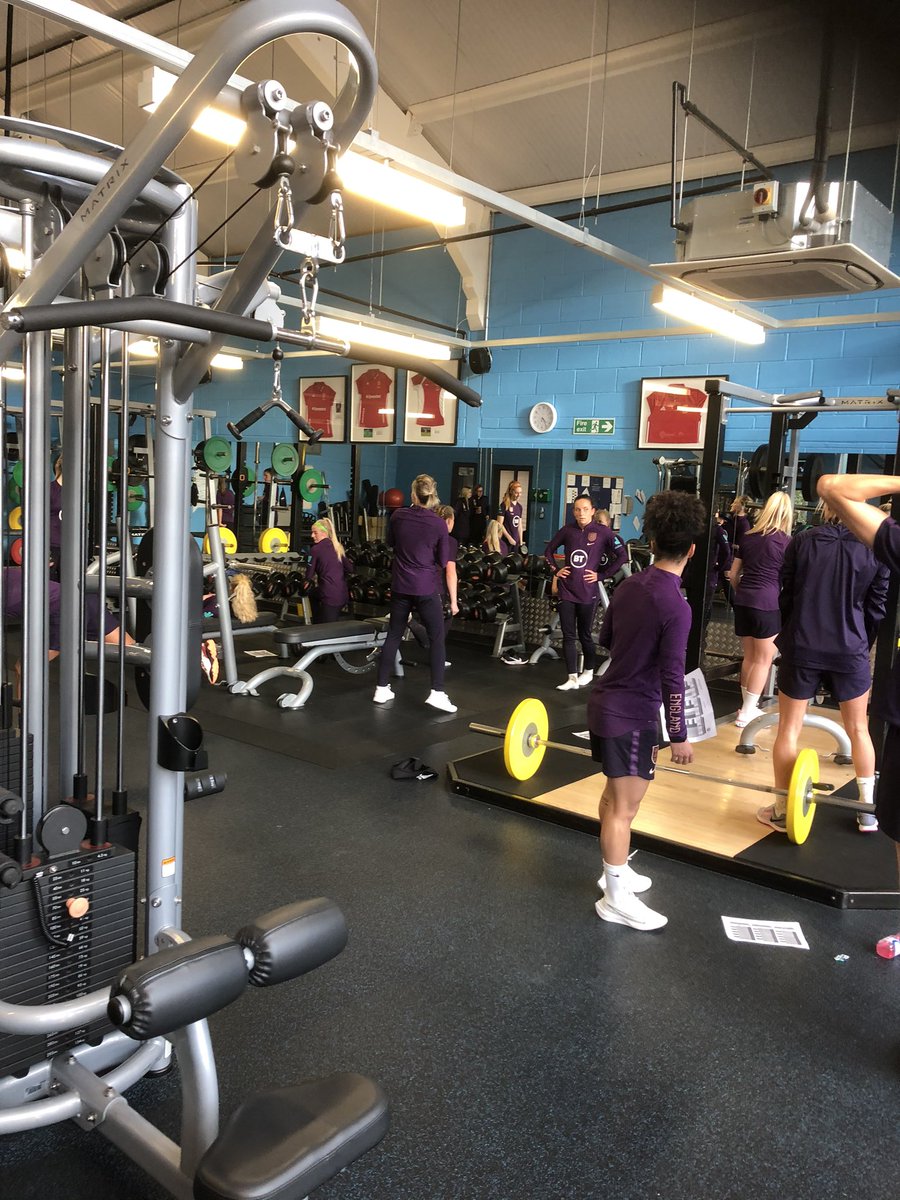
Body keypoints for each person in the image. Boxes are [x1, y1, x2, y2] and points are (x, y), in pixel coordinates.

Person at [589, 490, 705, 932]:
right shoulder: (677, 605)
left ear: (650, 540)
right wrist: (679, 734)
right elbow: (673, 675)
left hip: (606, 702)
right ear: (691, 549)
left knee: (612, 799)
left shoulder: (626, 586)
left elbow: (607, 642)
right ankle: (614, 897)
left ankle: (613, 870)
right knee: (624, 810)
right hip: (634, 716)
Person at [757, 502, 889, 835]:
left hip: (803, 644)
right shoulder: (874, 549)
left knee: (789, 728)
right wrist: (860, 640)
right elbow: (877, 606)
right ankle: (867, 812)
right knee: (859, 729)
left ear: (826, 508)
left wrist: (791, 633)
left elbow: (785, 596)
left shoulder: (803, 541)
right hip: (850, 648)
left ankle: (780, 809)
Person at [816, 472, 900, 940]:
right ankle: (867, 805)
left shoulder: (810, 542)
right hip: (849, 650)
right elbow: (879, 601)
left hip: (816, 645)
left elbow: (832, 485)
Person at [373, 474, 458, 713]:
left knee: (394, 634)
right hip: (426, 588)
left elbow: (391, 543)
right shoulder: (438, 524)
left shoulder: (398, 516)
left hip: (401, 586)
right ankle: (437, 692)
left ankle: (381, 688)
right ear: (432, 495)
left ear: (413, 494)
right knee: (437, 637)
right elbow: (442, 560)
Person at [726, 490, 793, 728]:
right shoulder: (786, 542)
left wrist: (742, 591)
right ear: (787, 514)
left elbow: (733, 574)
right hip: (767, 603)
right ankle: (746, 713)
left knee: (751, 657)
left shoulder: (749, 537)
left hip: (744, 600)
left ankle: (747, 706)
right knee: (764, 659)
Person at [544, 495, 620, 690]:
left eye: (585, 509)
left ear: (593, 511)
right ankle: (571, 677)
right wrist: (556, 570)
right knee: (569, 635)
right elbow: (548, 551)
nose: (581, 513)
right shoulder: (567, 531)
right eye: (577, 509)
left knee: (584, 634)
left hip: (588, 591)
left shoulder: (603, 532)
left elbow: (622, 556)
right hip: (567, 589)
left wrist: (602, 575)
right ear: (573, 512)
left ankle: (588, 671)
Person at [306, 517, 351, 623]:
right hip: (343, 595)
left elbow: (308, 576)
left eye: (315, 533)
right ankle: (318, 621)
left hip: (330, 597)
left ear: (324, 533)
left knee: (328, 632)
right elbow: (350, 568)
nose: (312, 536)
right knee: (313, 594)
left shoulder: (315, 550)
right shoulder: (338, 547)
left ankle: (317, 622)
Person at [722, 495, 751, 607]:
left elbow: (741, 546)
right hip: (726, 556)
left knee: (728, 587)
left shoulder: (744, 524)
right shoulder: (732, 520)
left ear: (742, 506)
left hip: (731, 559)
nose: (732, 504)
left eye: (735, 502)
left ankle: (738, 607)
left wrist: (726, 543)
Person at [498, 480, 525, 556]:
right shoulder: (504, 505)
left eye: (520, 493)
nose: (519, 495)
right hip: (505, 540)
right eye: (516, 493)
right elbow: (499, 524)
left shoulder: (519, 507)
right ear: (511, 492)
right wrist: (509, 538)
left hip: (515, 541)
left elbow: (520, 526)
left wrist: (521, 542)